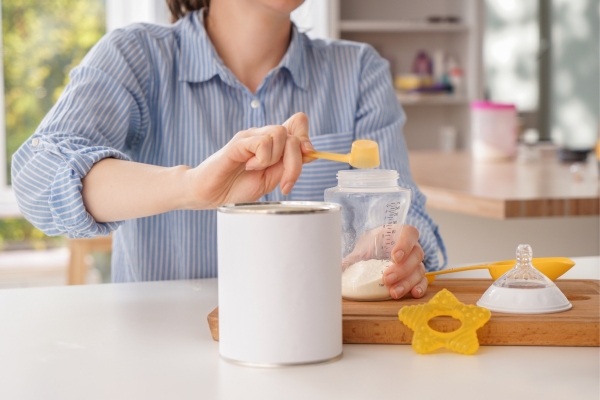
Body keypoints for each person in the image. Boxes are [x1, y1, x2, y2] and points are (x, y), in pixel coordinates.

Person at [11, 0, 446, 299]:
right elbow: (36, 178)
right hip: (161, 364)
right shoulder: (136, 58)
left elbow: (416, 226)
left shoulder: (359, 71)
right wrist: (191, 187)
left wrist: (401, 253)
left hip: (318, 351)